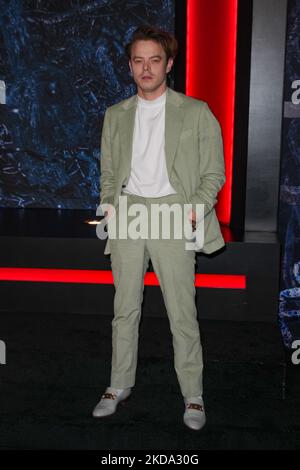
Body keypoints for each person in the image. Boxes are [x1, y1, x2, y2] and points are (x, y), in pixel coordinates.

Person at [93, 25, 226, 431]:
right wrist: (111, 208)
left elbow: (213, 173)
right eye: (138, 60)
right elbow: (109, 172)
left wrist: (193, 210)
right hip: (130, 212)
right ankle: (118, 384)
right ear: (130, 66)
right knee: (124, 309)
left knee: (182, 312)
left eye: (154, 60)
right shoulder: (116, 115)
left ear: (169, 64)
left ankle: (193, 395)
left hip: (173, 213)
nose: (146, 68)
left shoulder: (196, 111)